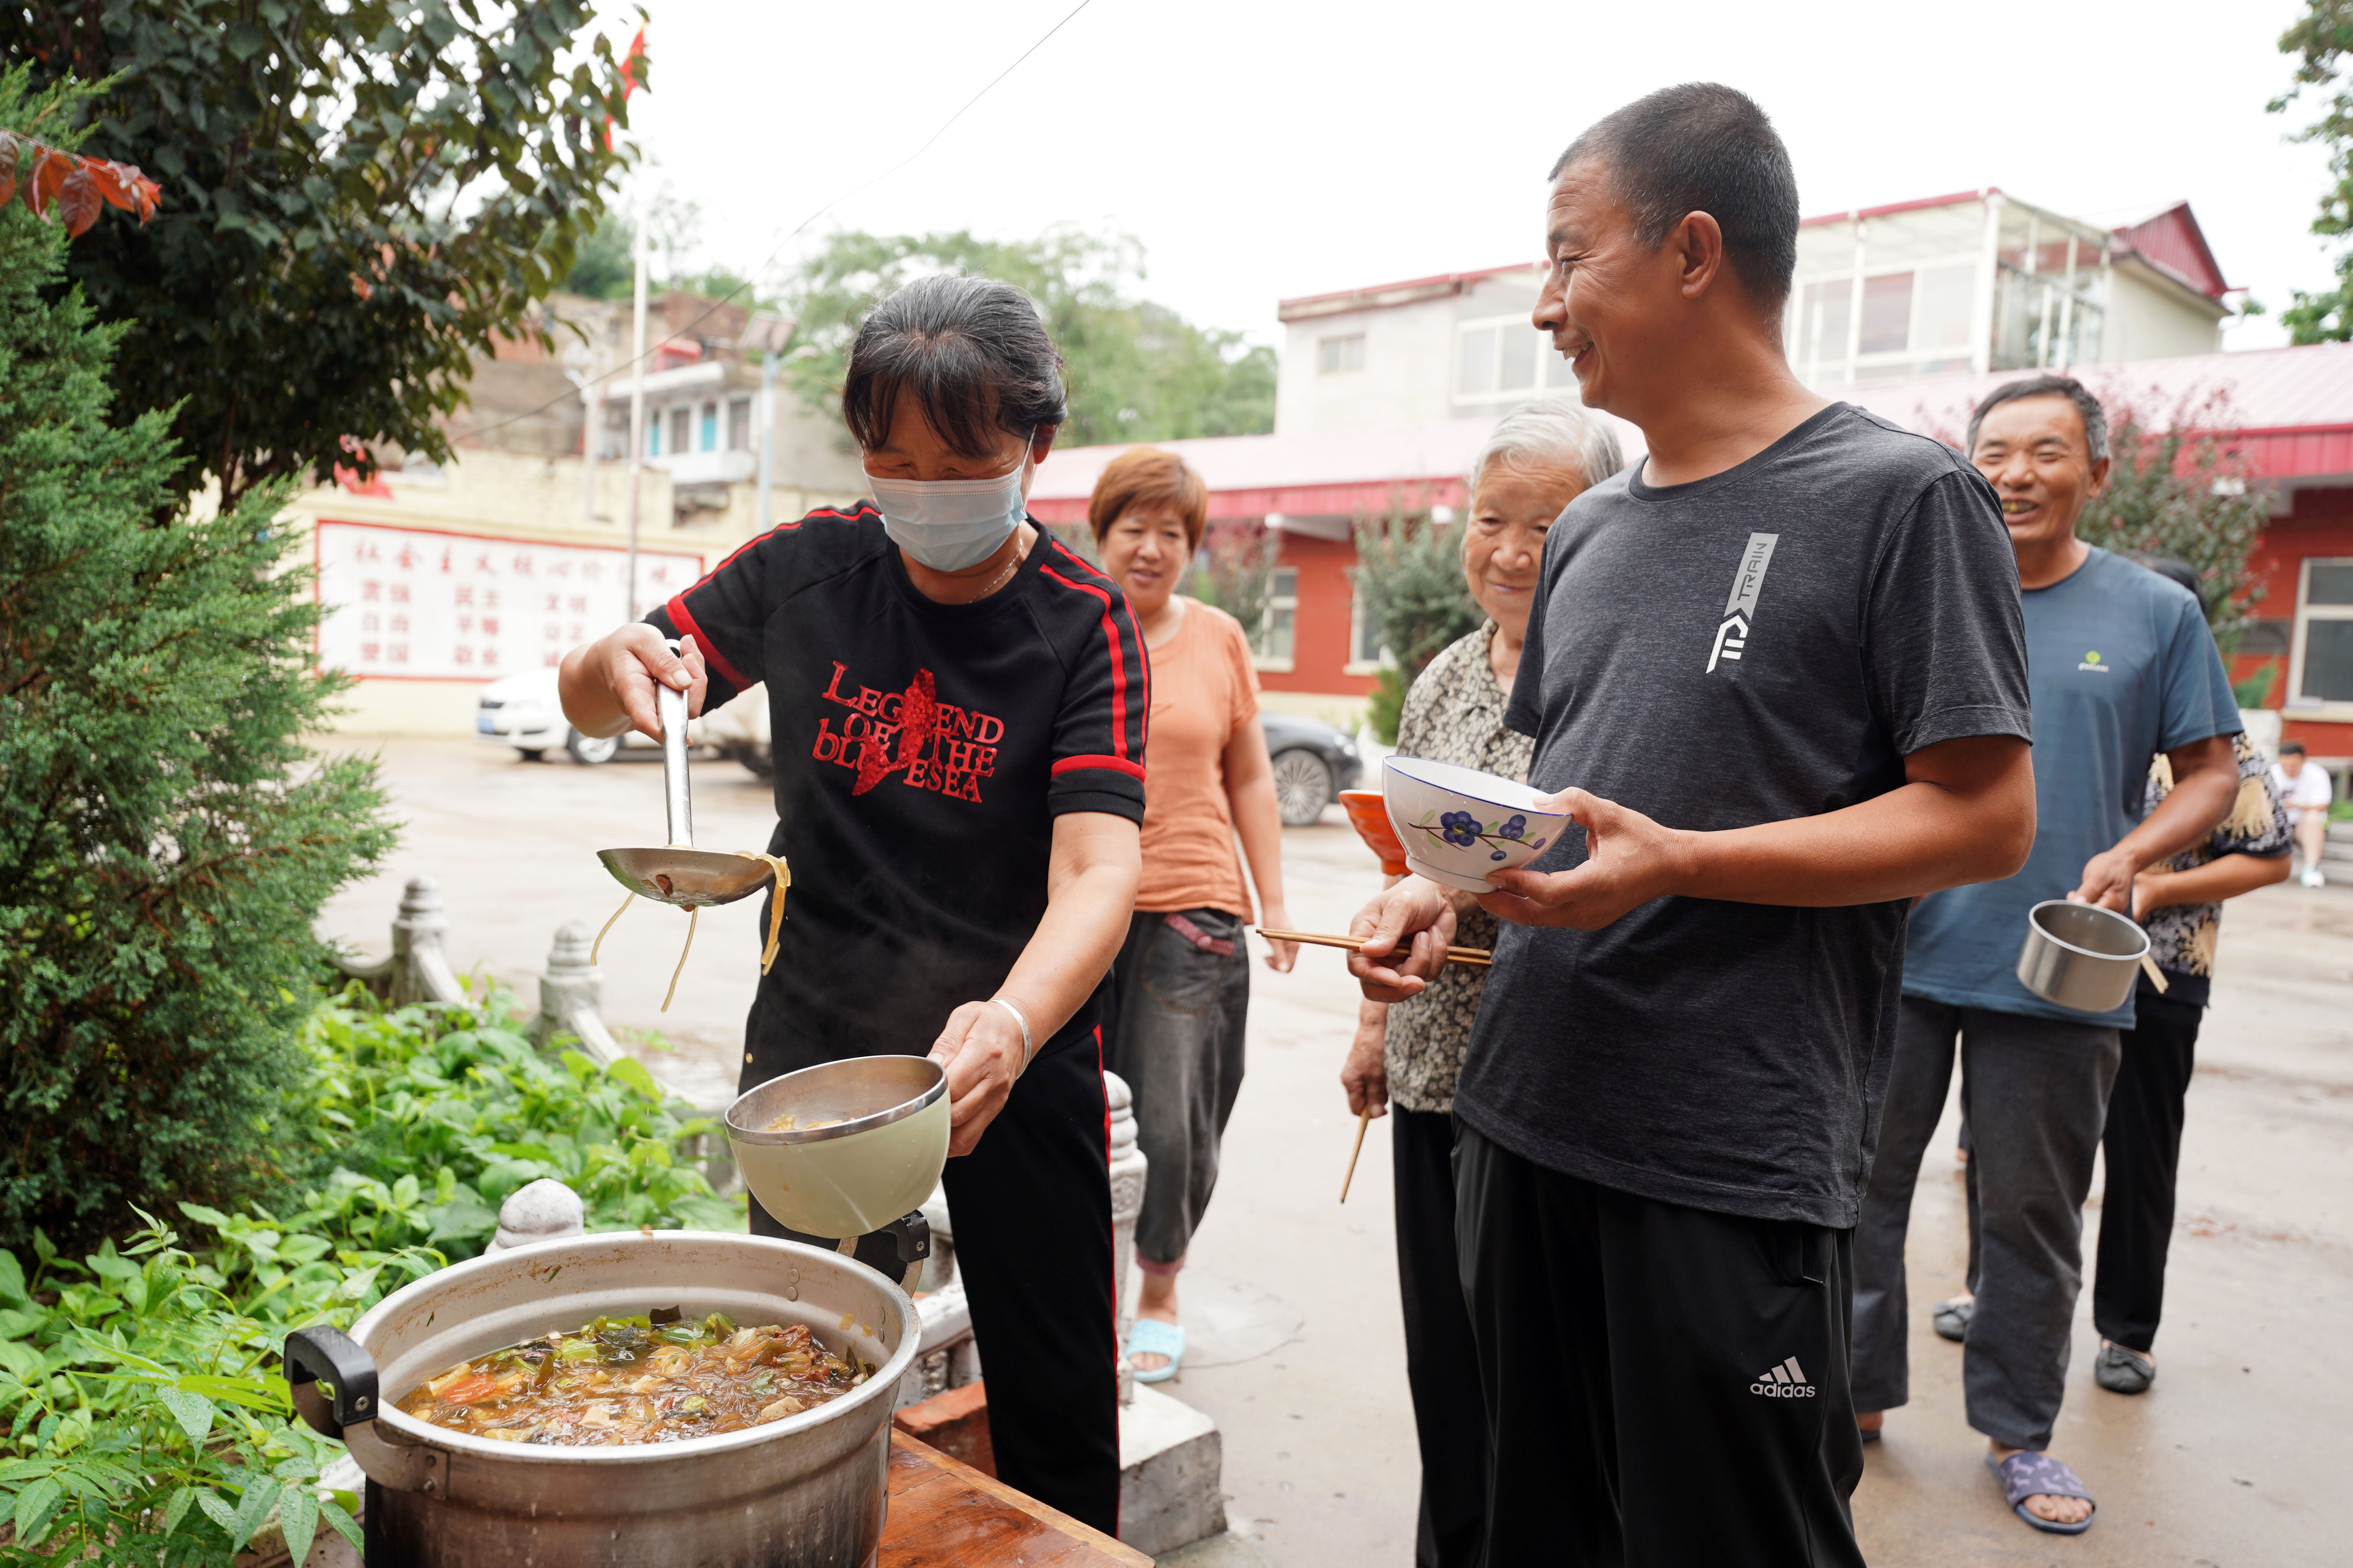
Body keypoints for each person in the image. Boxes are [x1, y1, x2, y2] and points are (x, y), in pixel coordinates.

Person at [1347, 84, 2036, 1568]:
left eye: (1563, 256)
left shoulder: (1898, 498)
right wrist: (1441, 890)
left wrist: (1689, 866)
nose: (1542, 307)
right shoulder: (1592, 530)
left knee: (1734, 1536)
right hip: (1519, 1119)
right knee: (1534, 1529)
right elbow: (1555, 798)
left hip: (1724, 1161)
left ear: (1690, 252)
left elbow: (1982, 817)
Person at [558, 275, 1144, 1532]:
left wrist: (1015, 1020)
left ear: (1037, 445)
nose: (923, 490)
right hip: (821, 1041)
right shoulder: (805, 572)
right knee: (808, 1370)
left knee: (1054, 1394)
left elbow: (1099, 869)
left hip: (1013, 1043)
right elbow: (617, 682)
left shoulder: (1083, 624)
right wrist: (605, 666)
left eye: (961, 460)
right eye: (893, 459)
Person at [1851, 377, 2243, 1537]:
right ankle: (1854, 1404)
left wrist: (2136, 852)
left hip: (2062, 959)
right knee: (1855, 1189)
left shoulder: (2150, 614)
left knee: (2033, 1213)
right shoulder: (1914, 598)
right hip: (1895, 949)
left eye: (2047, 452)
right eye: (1993, 452)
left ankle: (2019, 1436)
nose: (2015, 474)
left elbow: (2215, 774)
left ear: (2096, 473)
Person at [1337, 396, 1618, 1568]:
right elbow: (1412, 861)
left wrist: (1468, 882)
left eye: (1541, 526)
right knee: (1443, 1358)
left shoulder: (1605, 673)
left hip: (1547, 1083)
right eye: (1488, 519)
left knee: (1539, 1376)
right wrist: (1369, 1027)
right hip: (1430, 1065)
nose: (1507, 551)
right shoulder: (1448, 672)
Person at [1089, 447, 1297, 1384]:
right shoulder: (1066, 630)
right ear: (1101, 535)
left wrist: (1278, 900)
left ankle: (1160, 1289)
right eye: (1134, 527)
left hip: (1195, 909)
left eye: (1172, 533)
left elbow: (1249, 773)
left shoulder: (1217, 638)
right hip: (1079, 911)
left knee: (1176, 1126)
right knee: (1076, 1117)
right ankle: (1082, 1293)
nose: (1151, 547)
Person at [2092, 560, 2294, 1393]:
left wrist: (2157, 888)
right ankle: (1982, 1289)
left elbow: (2270, 858)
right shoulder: (2088, 705)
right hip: (2054, 961)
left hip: (2161, 976)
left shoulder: (2224, 744)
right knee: (2011, 1146)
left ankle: (2126, 1332)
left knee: (2138, 1153)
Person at [2271, 740, 2335, 886]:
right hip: (2279, 824)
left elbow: (2322, 805)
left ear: (2303, 761)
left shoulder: (2317, 774)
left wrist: (2295, 805)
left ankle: (2312, 869)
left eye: (2294, 765)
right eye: (2285, 765)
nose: (2289, 770)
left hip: (2305, 826)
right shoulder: (2272, 772)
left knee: (2313, 817)